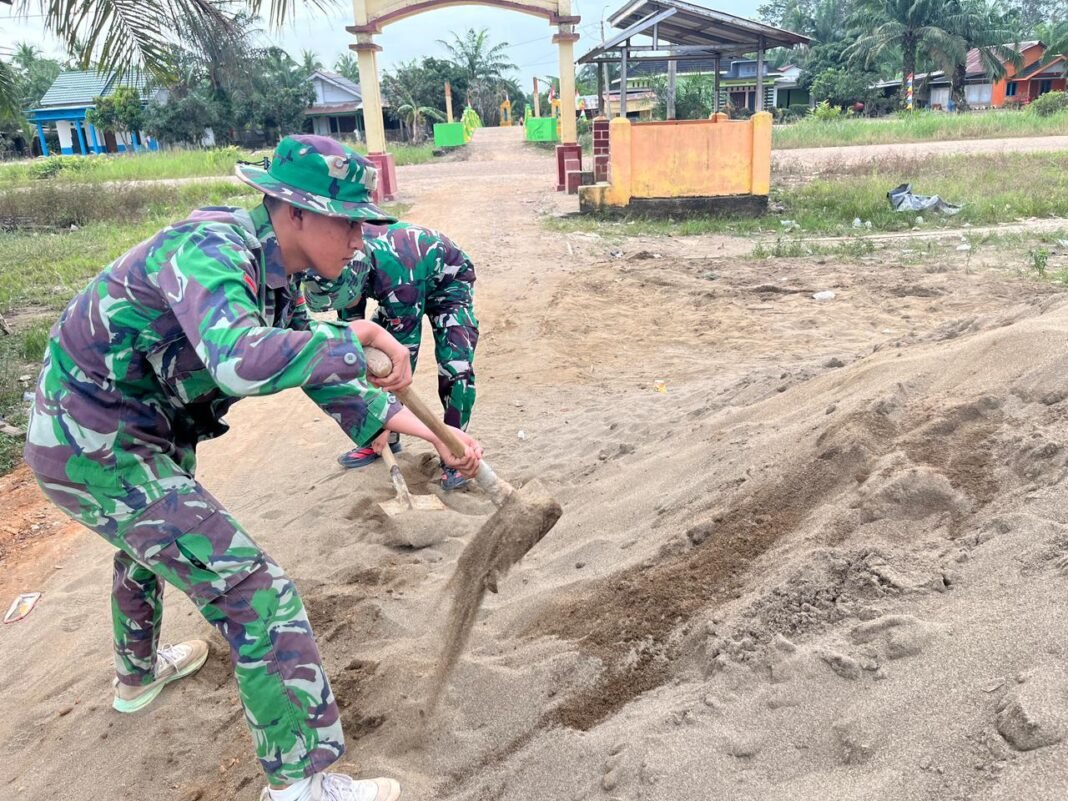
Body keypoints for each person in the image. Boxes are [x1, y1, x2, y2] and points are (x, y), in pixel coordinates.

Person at [23, 134, 482, 801]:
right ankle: (300, 785)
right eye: (349, 222)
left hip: (134, 425)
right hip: (90, 438)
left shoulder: (277, 277)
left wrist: (439, 438)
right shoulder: (209, 249)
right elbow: (241, 356)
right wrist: (361, 333)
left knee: (148, 544)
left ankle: (139, 672)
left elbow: (328, 382)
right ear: (293, 212)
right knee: (254, 592)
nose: (360, 242)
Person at [303, 222, 478, 491]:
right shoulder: (341, 261)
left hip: (447, 282)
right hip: (398, 282)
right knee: (372, 357)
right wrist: (378, 423)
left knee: (456, 366)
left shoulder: (397, 279)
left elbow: (401, 362)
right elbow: (356, 340)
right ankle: (387, 436)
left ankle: (455, 449)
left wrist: (385, 409)